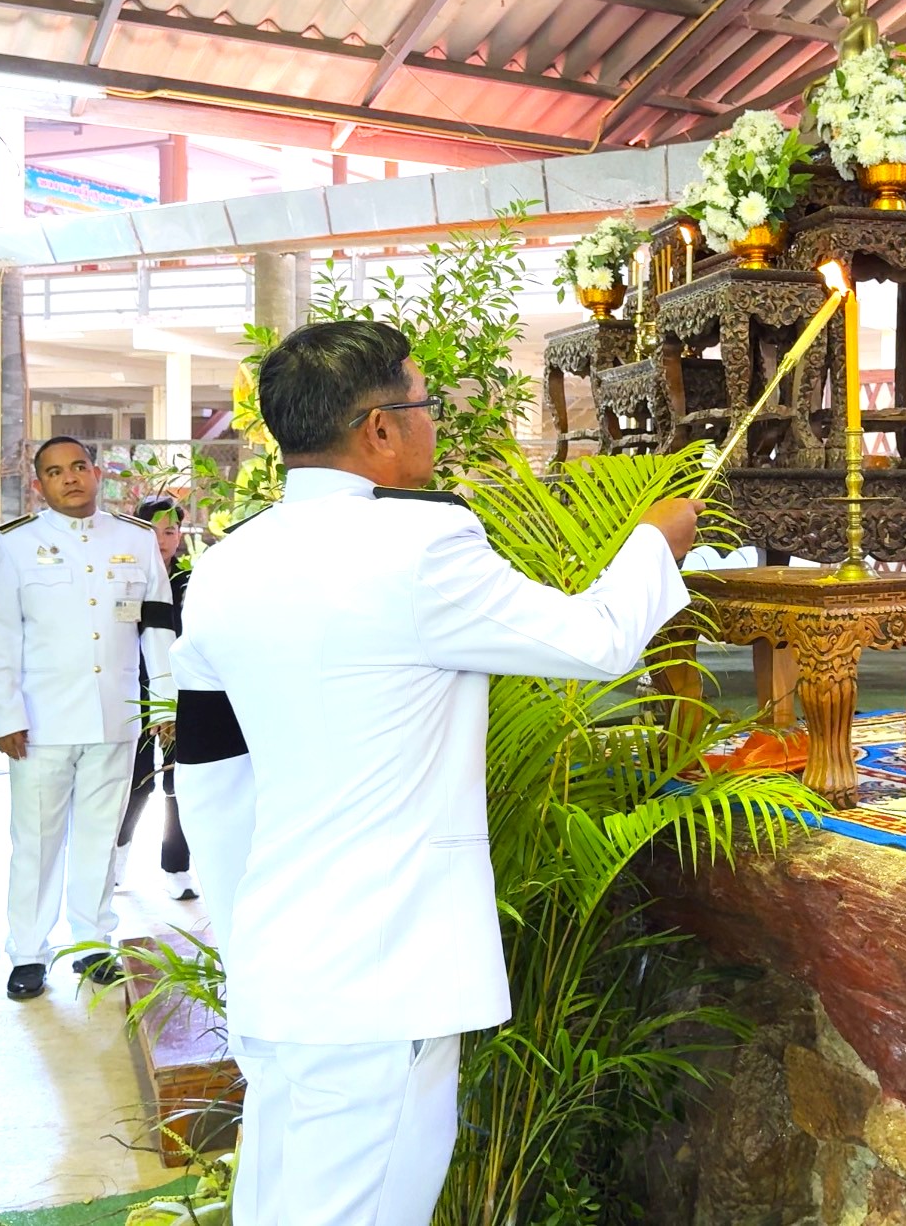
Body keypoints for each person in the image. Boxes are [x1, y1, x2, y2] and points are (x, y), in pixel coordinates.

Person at [172, 320, 700, 1226]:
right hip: (382, 968)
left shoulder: (224, 564)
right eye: (425, 406)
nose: (433, 426)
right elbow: (596, 638)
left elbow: (211, 777)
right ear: (377, 428)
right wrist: (656, 540)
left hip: (278, 957)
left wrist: (246, 929)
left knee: (275, 1200)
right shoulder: (419, 548)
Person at [0, 436, 178, 1001]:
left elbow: (157, 625)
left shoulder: (135, 540)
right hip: (39, 723)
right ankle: (29, 953)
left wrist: (163, 702)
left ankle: (92, 946)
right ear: (39, 484)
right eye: (54, 471)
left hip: (116, 716)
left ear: (96, 473)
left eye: (79, 467)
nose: (70, 478)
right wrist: (4, 714)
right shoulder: (16, 545)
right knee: (36, 840)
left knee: (98, 837)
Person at [114, 495, 195, 902]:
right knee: (137, 781)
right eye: (152, 531)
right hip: (134, 693)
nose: (162, 540)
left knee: (178, 782)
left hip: (187, 695)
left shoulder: (192, 581)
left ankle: (177, 867)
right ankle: (118, 856)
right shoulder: (122, 579)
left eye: (170, 531)